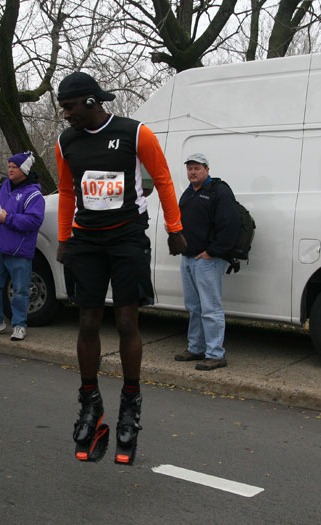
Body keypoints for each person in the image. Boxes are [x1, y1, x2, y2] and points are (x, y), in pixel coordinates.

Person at [55, 71, 186, 465]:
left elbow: (162, 180)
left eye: (70, 108)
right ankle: (89, 400)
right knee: (88, 323)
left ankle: (131, 401)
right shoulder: (66, 142)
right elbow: (65, 190)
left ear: (91, 102)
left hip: (128, 237)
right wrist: (64, 237)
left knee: (128, 322)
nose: (66, 116)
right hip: (86, 240)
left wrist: (176, 229)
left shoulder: (136, 133)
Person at [174, 154, 240, 371]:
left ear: (207, 169)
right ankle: (196, 348)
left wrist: (212, 251)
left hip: (207, 260)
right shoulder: (189, 193)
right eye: (190, 169)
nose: (192, 172)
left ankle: (215, 354)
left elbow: (230, 224)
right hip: (188, 258)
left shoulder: (219, 191)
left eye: (197, 168)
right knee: (194, 307)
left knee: (210, 308)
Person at [0, 151, 45, 341]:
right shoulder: (1, 184)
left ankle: (19, 325)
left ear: (24, 169)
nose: (10, 169)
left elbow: (34, 221)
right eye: (9, 166)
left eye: (14, 167)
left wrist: (7, 218)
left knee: (20, 290)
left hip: (19, 251)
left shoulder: (34, 194)